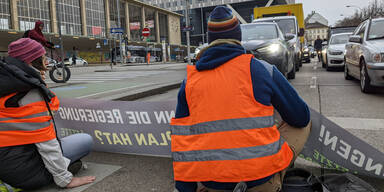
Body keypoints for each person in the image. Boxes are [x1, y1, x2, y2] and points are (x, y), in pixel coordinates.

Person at [171, 6, 311, 192]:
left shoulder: (190, 82)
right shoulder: (261, 69)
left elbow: (182, 142)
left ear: (210, 40)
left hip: (213, 184)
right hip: (260, 182)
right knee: (303, 125)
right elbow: (300, 116)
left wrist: (186, 189)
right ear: (238, 37)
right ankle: (276, 177)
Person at [0, 38, 95, 190]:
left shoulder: (7, 81)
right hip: (22, 170)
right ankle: (54, 174)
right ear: (32, 61)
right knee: (85, 140)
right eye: (43, 58)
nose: (47, 62)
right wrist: (65, 180)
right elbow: (46, 143)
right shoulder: (29, 92)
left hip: (6, 159)